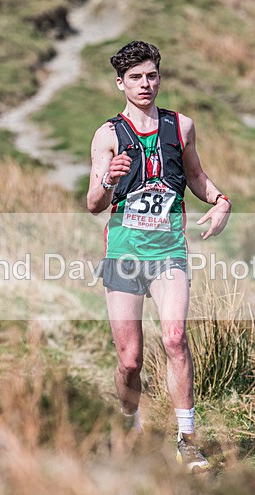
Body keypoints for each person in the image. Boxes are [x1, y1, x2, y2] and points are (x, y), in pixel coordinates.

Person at [86, 41, 231, 472]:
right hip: (124, 255)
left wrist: (220, 200)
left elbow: (196, 177)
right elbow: (93, 203)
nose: (145, 84)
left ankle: (187, 439)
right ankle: (128, 424)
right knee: (130, 360)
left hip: (169, 253)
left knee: (174, 340)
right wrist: (108, 181)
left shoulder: (181, 126)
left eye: (151, 76)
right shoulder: (108, 134)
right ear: (120, 83)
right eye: (135, 77)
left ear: (159, 78)